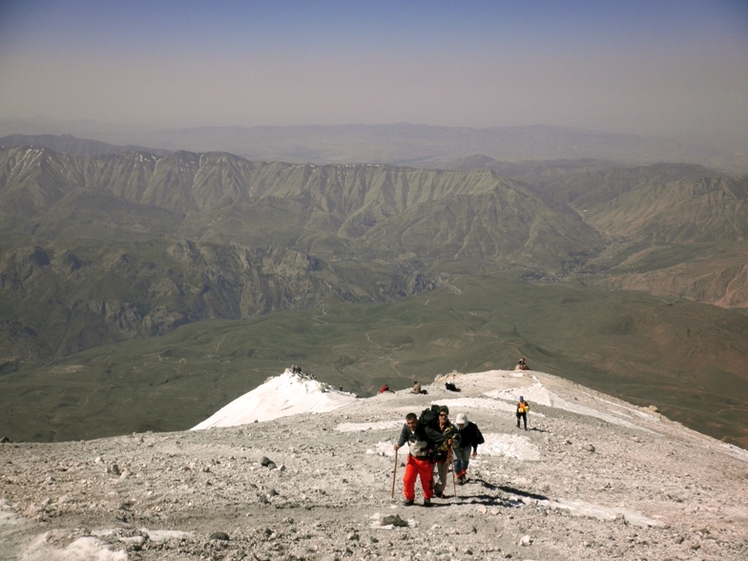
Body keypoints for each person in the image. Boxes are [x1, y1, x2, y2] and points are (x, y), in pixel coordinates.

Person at [394, 412, 434, 507]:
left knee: (426, 480)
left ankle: (427, 498)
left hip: (424, 459)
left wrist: (432, 449)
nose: (411, 425)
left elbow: (433, 439)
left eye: (413, 423)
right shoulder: (406, 428)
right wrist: (399, 445)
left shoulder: (425, 428)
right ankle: (409, 498)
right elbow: (403, 437)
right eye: (409, 423)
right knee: (408, 479)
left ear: (417, 421)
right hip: (412, 458)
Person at [426, 405, 459, 498]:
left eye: (445, 415)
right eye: (441, 415)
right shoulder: (432, 426)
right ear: (438, 415)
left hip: (445, 454)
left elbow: (458, 439)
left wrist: (453, 442)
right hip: (432, 453)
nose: (443, 417)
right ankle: (429, 490)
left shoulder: (452, 428)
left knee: (443, 478)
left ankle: (438, 491)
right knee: (429, 474)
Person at [453, 412, 484, 484]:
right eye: (459, 424)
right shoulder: (453, 427)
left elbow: (474, 439)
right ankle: (459, 476)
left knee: (465, 460)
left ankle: (463, 473)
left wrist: (475, 449)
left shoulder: (471, 427)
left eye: (462, 424)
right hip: (456, 446)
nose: (460, 425)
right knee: (456, 461)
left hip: (467, 446)